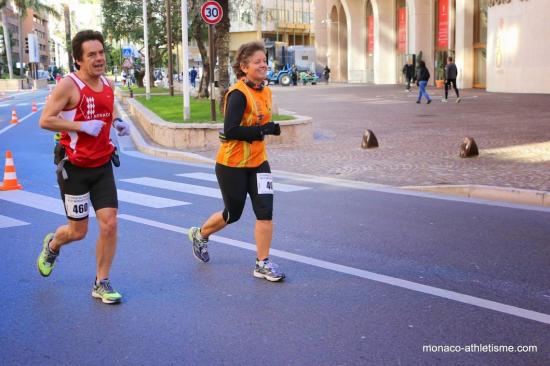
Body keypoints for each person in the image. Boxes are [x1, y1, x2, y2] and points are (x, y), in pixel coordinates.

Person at [37, 30, 131, 304]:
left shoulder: (107, 83)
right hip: (74, 167)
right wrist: (81, 126)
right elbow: (46, 120)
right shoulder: (69, 85)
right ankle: (53, 244)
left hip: (102, 165)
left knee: (110, 224)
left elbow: (107, 108)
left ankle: (101, 282)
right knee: (78, 231)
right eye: (92, 54)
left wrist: (116, 123)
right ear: (79, 60)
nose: (99, 58)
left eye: (101, 52)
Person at [187, 41, 285, 282]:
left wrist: (264, 130)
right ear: (244, 67)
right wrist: (263, 130)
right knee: (233, 213)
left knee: (265, 212)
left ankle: (262, 263)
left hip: (259, 162)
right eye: (257, 62)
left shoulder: (266, 89)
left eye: (264, 60)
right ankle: (200, 234)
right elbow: (229, 130)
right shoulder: (238, 94)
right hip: (232, 165)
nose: (263, 65)